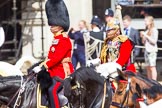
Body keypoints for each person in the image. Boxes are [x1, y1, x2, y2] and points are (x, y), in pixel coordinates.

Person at [33, 0, 74, 107]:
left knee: (52, 90)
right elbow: (50, 57)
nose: (51, 26)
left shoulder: (64, 39)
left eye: (53, 24)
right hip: (53, 71)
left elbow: (56, 58)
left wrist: (43, 66)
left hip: (62, 73)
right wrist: (40, 65)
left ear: (60, 25)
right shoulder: (56, 38)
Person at [88, 5, 136, 79]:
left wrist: (107, 70)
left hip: (123, 71)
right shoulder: (108, 42)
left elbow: (121, 61)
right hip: (110, 69)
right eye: (107, 30)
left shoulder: (125, 41)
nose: (108, 32)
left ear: (117, 30)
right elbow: (103, 57)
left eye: (110, 30)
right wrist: (94, 62)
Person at [140, 16, 158, 80]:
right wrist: (142, 37)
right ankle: (149, 81)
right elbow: (143, 42)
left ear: (150, 22)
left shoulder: (154, 30)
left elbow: (154, 41)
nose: (144, 22)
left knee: (152, 67)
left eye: (146, 21)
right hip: (146, 51)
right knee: (147, 67)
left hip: (152, 51)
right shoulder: (147, 30)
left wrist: (145, 35)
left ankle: (154, 81)